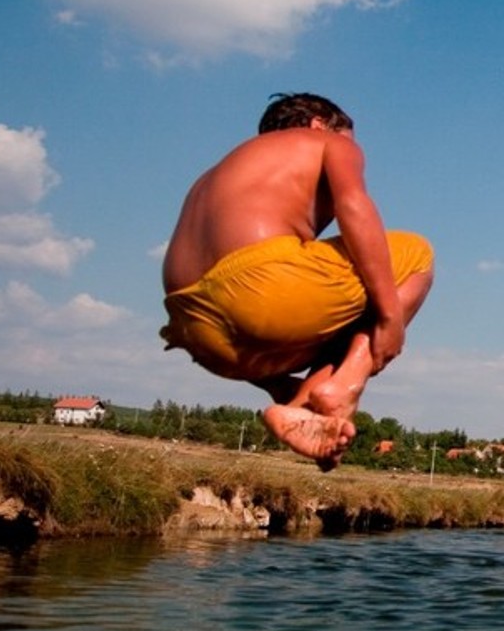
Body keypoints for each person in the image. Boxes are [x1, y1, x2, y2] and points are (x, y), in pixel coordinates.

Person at [160, 93, 434, 469]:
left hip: (199, 336)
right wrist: (390, 318)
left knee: (348, 315)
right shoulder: (327, 141)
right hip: (262, 292)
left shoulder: (216, 174)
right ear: (318, 123)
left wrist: (279, 382)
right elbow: (354, 207)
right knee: (415, 254)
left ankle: (300, 407)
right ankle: (344, 386)